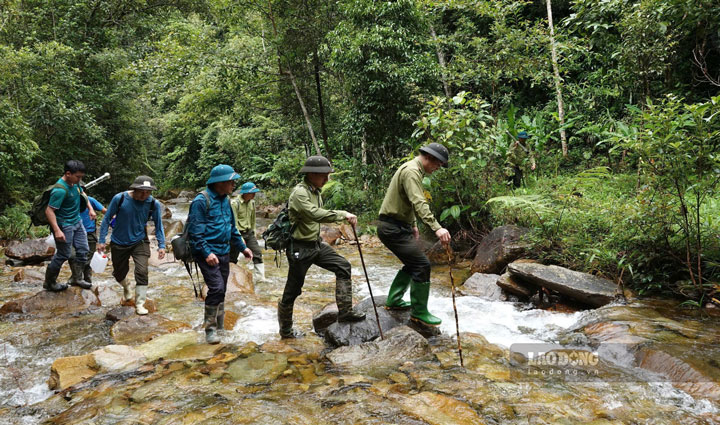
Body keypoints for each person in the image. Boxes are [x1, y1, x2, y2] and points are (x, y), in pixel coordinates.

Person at [278, 156, 365, 339]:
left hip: (316, 244)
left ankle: (345, 312)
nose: (326, 180)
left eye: (327, 176)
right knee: (293, 290)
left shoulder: (315, 190)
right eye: (323, 176)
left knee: (343, 266)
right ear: (311, 174)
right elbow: (314, 214)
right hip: (300, 249)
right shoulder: (299, 193)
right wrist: (342, 215)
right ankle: (286, 330)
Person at [377, 143, 451, 326]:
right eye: (438, 165)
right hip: (391, 228)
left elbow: (406, 202)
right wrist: (437, 227)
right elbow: (418, 202)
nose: (437, 169)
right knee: (422, 265)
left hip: (397, 226)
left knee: (414, 263)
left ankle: (394, 300)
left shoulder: (413, 169)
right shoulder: (412, 172)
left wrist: (413, 225)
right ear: (429, 158)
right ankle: (419, 312)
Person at [187, 165, 253, 344]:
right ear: (220, 183)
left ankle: (220, 326)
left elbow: (232, 228)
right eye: (231, 181)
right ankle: (210, 330)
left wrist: (243, 248)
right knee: (216, 288)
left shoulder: (226, 200)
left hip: (224, 251)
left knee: (221, 289)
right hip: (207, 253)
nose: (233, 184)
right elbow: (195, 233)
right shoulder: (201, 201)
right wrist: (207, 252)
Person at [98, 176, 166, 315]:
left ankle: (140, 303)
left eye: (148, 192)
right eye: (141, 191)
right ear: (134, 188)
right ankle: (127, 287)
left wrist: (162, 245)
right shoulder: (120, 199)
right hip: (118, 242)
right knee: (118, 274)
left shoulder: (153, 204)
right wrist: (101, 240)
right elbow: (106, 219)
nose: (144, 195)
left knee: (142, 271)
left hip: (140, 241)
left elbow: (159, 225)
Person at [44, 160, 96, 292]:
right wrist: (57, 230)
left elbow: (83, 194)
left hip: (77, 222)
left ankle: (76, 278)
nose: (80, 179)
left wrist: (90, 208)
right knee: (63, 254)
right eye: (78, 176)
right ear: (68, 173)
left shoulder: (75, 183)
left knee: (84, 249)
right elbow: (49, 211)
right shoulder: (60, 190)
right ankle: (49, 282)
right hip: (64, 225)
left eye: (81, 177)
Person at [230, 182, 266, 282]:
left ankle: (260, 278)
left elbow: (253, 219)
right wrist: (239, 238)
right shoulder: (234, 203)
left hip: (248, 232)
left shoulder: (252, 202)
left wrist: (253, 232)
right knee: (232, 257)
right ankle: (229, 278)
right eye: (252, 193)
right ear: (245, 193)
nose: (254, 195)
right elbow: (234, 223)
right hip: (237, 234)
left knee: (257, 253)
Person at [69, 194, 106, 284]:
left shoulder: (90, 200)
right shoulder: (69, 200)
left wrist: (114, 217)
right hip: (73, 232)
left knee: (88, 258)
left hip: (89, 234)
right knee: (72, 256)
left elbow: (104, 211)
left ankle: (86, 279)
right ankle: (76, 277)